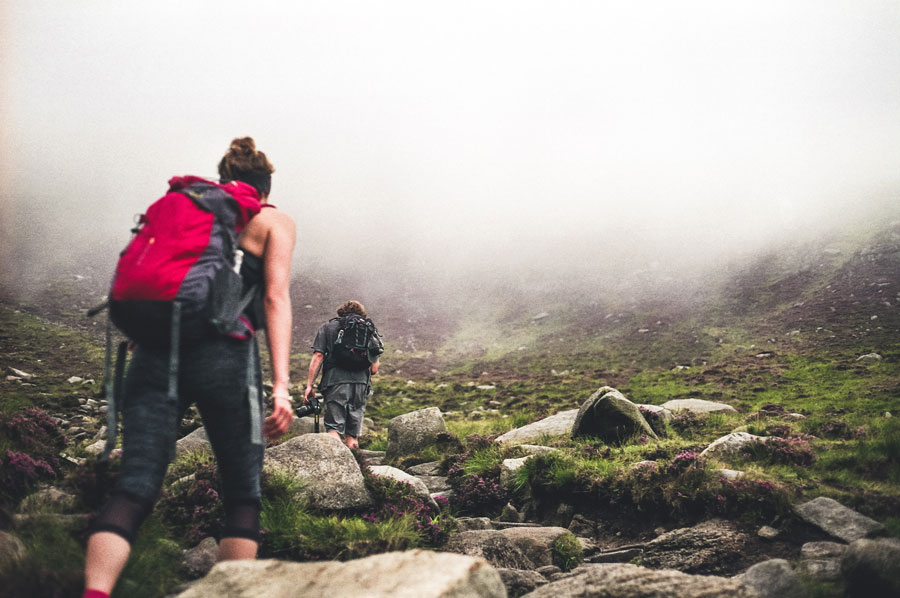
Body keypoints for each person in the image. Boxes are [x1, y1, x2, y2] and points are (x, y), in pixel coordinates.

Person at [82, 137, 296, 598]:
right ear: (263, 188)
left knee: (135, 487)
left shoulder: (187, 210)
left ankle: (94, 592)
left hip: (155, 352)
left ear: (223, 182)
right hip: (227, 359)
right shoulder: (272, 219)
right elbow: (276, 298)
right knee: (242, 494)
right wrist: (281, 386)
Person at [303, 301, 380, 449]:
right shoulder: (369, 329)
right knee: (352, 434)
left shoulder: (329, 327)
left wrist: (309, 385)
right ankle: (357, 467)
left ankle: (337, 467)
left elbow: (318, 356)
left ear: (340, 313)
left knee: (333, 428)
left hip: (335, 381)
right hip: (361, 384)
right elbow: (374, 369)